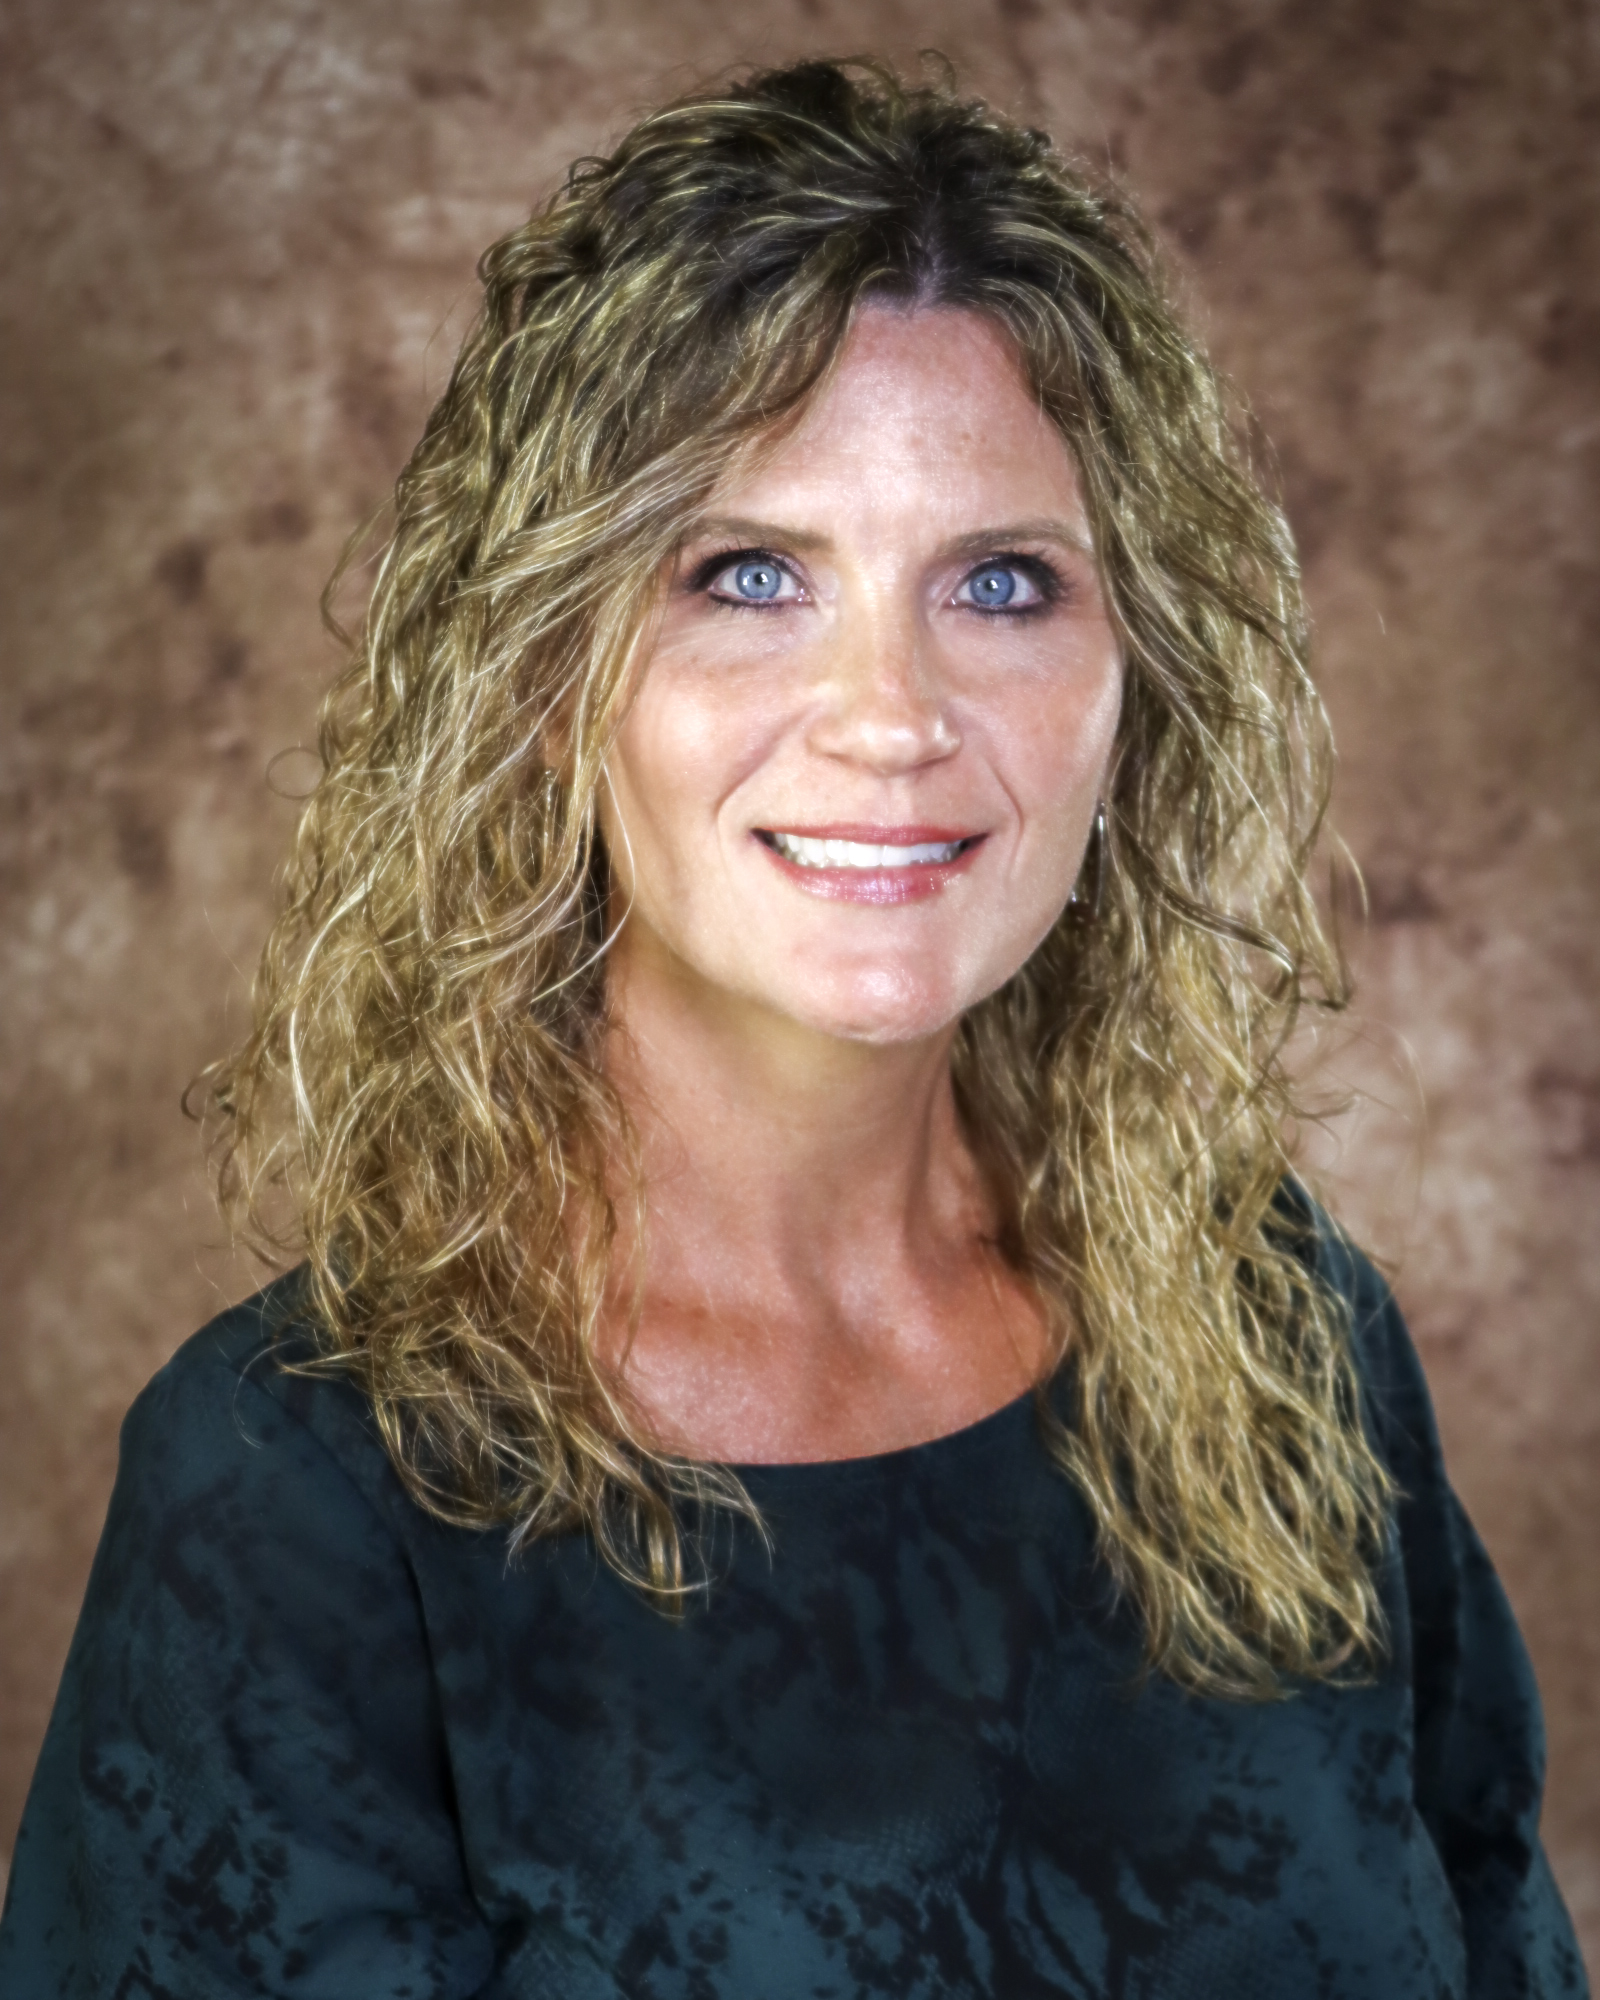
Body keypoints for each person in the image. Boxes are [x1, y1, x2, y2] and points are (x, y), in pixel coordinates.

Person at [0, 56, 1585, 2000]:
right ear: (540, 682)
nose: (890, 716)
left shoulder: (1284, 1341)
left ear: (1129, 679)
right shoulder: (294, 1504)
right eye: (747, 577)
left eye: (1000, 582)